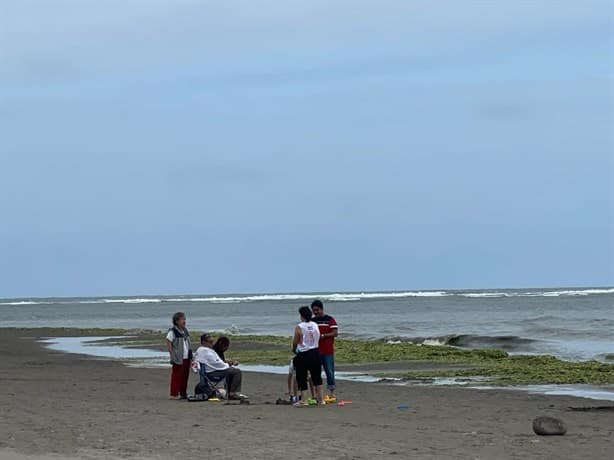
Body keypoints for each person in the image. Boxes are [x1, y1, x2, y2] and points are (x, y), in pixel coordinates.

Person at [194, 334, 246, 400]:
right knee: (236, 372)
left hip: (209, 373)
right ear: (204, 342)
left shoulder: (201, 350)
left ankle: (230, 392)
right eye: (210, 342)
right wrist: (228, 364)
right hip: (212, 374)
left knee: (230, 370)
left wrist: (227, 364)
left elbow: (216, 362)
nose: (212, 344)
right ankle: (232, 393)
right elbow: (217, 364)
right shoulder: (206, 351)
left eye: (212, 342)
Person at [292, 306, 324, 407]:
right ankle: (321, 399)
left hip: (304, 353)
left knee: (302, 377)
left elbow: (295, 341)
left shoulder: (299, 326)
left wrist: (294, 349)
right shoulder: (315, 325)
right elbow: (318, 336)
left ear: (302, 315)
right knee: (317, 377)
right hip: (315, 351)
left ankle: (304, 400)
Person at [311, 299, 339, 401]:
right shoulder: (312, 321)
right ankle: (317, 393)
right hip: (315, 350)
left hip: (327, 350)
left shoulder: (329, 319)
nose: (315, 312)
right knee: (315, 373)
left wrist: (323, 336)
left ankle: (332, 392)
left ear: (321, 309)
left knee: (329, 372)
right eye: (313, 310)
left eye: (317, 310)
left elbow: (335, 333)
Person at [166, 311, 193, 399]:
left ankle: (183, 393)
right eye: (182, 319)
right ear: (177, 321)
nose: (184, 321)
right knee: (177, 376)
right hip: (178, 357)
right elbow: (168, 341)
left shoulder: (185, 330)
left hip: (186, 356)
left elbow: (188, 343)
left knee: (185, 376)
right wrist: (172, 354)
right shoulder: (173, 331)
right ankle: (174, 394)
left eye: (184, 319)